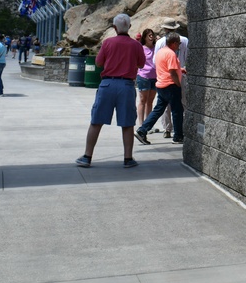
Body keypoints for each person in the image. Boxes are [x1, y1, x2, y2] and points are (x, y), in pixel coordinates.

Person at [75, 14, 145, 169]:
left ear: (114, 28)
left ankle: (87, 156)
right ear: (130, 27)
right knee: (127, 123)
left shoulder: (108, 43)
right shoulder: (136, 45)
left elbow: (99, 62)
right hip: (126, 86)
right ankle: (128, 158)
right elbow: (141, 64)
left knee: (96, 121)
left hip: (107, 84)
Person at [136, 32, 185, 146]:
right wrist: (178, 84)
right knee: (177, 111)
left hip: (161, 85)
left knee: (158, 110)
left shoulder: (160, 52)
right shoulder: (171, 54)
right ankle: (178, 136)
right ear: (174, 43)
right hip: (171, 85)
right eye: (179, 43)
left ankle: (142, 130)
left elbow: (166, 68)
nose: (179, 45)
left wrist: (180, 69)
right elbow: (172, 72)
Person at [134, 30, 158, 130]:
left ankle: (148, 124)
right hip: (143, 77)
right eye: (149, 35)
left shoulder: (156, 48)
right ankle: (141, 123)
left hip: (155, 77)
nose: (151, 37)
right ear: (144, 37)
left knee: (150, 101)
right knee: (143, 100)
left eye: (152, 35)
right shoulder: (141, 49)